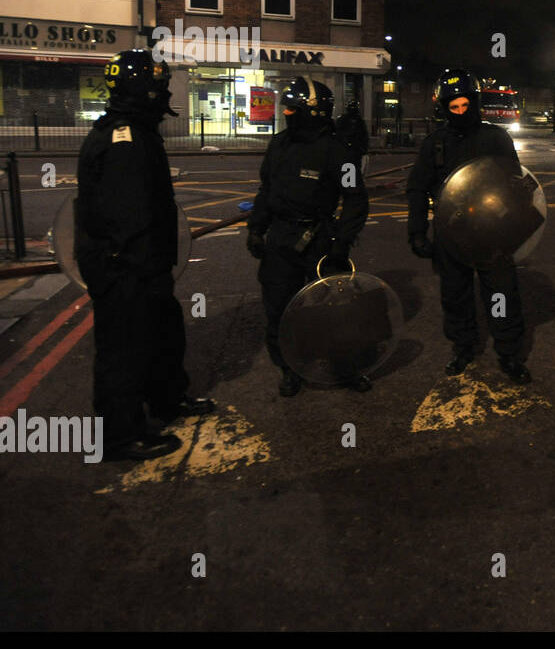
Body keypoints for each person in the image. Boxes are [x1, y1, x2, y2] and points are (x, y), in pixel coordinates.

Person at [75, 50, 214, 461]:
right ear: (143, 88)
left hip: (145, 266)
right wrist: (139, 273)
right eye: (159, 83)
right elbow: (129, 217)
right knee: (124, 351)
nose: (165, 90)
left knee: (163, 337)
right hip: (127, 270)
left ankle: (168, 400)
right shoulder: (125, 140)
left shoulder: (133, 130)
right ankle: (120, 435)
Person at [407, 69, 531, 383]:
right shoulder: (435, 144)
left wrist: (518, 227)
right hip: (451, 234)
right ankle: (462, 348)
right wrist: (417, 230)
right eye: (454, 108)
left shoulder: (495, 138)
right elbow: (418, 188)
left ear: (474, 103)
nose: (461, 112)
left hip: (494, 232)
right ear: (444, 108)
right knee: (456, 296)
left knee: (502, 294)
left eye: (465, 105)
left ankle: (509, 353)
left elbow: (514, 183)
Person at [247, 77, 369, 396]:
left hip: (320, 238)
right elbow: (266, 190)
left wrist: (340, 245)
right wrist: (256, 228)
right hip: (281, 238)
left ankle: (344, 366)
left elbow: (356, 199)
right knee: (278, 307)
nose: (286, 113)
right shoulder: (279, 144)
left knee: (333, 308)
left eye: (292, 108)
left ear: (312, 111)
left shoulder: (339, 150)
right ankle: (289, 367)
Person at [335, 99, 370, 173]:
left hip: (353, 149)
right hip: (350, 149)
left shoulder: (358, 121)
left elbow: (364, 136)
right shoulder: (356, 120)